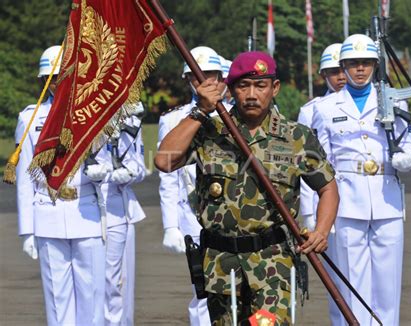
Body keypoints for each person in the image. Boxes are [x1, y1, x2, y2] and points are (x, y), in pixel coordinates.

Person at [155, 51, 339, 325]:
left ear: (274, 88)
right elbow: (163, 161)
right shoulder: (210, 131)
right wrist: (200, 111)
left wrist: (321, 231)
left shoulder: (295, 137)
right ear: (230, 89)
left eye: (260, 85)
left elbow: (328, 187)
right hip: (221, 263)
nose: (251, 94)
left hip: (272, 262)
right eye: (243, 86)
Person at [311, 34, 411, 326]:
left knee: (388, 282)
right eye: (353, 63)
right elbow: (320, 165)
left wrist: (406, 158)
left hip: (386, 199)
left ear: (375, 65)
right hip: (346, 202)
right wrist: (316, 213)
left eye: (366, 63)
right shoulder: (325, 108)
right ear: (342, 66)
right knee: (350, 282)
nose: (360, 69)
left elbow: (406, 142)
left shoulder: (392, 100)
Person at [15, 45, 106, 325]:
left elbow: (106, 161)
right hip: (47, 214)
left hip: (86, 212)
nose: (58, 83)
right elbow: (24, 177)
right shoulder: (30, 118)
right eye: (52, 78)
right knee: (57, 299)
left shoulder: (93, 113)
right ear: (44, 82)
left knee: (92, 297)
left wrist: (103, 172)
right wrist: (27, 230)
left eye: (63, 76)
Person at [156, 46, 231, 326]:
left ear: (221, 77)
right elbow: (168, 175)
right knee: (202, 292)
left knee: (239, 289)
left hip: (235, 215)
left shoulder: (237, 115)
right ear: (189, 80)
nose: (205, 81)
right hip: (193, 214)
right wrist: (170, 225)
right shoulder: (174, 120)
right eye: (198, 76)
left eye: (210, 74)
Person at [84, 104, 147, 326]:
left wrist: (128, 175)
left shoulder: (128, 121)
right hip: (81, 209)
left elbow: (139, 166)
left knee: (115, 282)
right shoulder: (77, 119)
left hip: (115, 208)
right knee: (88, 282)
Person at [297, 43, 346, 325]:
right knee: (337, 279)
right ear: (323, 75)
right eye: (333, 71)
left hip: (358, 199)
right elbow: (306, 168)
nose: (340, 76)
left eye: (343, 69)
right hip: (326, 205)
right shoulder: (311, 110)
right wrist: (309, 214)